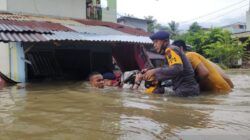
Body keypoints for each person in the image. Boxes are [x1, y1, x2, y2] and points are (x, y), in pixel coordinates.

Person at [143, 31, 200, 96]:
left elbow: (177, 68)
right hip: (186, 89)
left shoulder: (170, 50)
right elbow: (169, 69)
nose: (154, 45)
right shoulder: (169, 52)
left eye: (156, 41)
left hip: (185, 90)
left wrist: (154, 71)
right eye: (153, 42)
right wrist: (152, 73)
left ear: (165, 41)